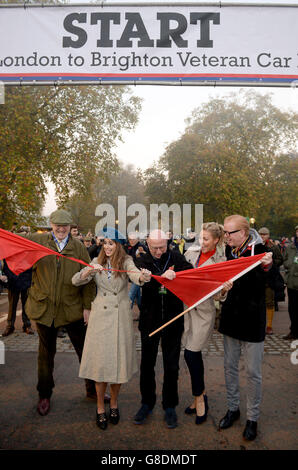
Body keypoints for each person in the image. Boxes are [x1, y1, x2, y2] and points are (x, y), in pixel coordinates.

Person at [72, 227, 151, 430]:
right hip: (100, 318)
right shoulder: (96, 261)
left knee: (118, 366)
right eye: (104, 243)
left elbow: (135, 276)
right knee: (101, 366)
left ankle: (114, 403)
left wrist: (143, 277)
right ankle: (100, 407)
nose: (107, 247)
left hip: (120, 318)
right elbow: (76, 280)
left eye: (111, 243)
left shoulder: (126, 261)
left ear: (118, 245)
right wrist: (90, 271)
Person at [25, 209, 97, 416]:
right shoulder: (38, 242)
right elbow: (15, 241)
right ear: (51, 224)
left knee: (85, 351)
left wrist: (87, 307)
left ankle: (92, 390)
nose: (61, 228)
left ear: (70, 227)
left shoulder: (79, 249)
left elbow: (88, 279)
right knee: (45, 355)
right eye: (57, 225)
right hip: (45, 308)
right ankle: (44, 394)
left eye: (65, 225)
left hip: (72, 309)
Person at [218, 215, 273, 441]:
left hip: (252, 321)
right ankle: (233, 408)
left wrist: (268, 266)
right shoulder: (229, 251)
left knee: (253, 373)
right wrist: (223, 289)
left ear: (243, 232)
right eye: (225, 232)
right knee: (229, 367)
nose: (226, 237)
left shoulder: (260, 250)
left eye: (230, 233)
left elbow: (269, 277)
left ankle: (252, 418)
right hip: (231, 318)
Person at [133, 229, 193, 429]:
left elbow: (191, 272)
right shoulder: (142, 259)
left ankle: (170, 405)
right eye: (154, 247)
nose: (159, 251)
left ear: (168, 242)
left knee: (172, 365)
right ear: (147, 244)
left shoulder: (176, 256)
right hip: (149, 319)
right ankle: (146, 403)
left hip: (173, 319)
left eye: (162, 247)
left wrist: (178, 275)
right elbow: (139, 281)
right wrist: (156, 277)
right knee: (147, 364)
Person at [183, 223, 232, 425]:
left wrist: (224, 290)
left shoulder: (221, 261)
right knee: (189, 354)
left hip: (203, 313)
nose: (201, 242)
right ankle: (198, 397)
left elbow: (220, 297)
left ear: (216, 240)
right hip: (185, 311)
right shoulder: (190, 254)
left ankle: (201, 399)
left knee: (191, 354)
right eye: (200, 238)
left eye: (205, 239)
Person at [258, 227, 283, 334]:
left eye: (265, 234)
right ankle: (259, 324)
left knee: (269, 302)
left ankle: (269, 326)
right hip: (258, 278)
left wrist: (270, 263)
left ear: (268, 235)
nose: (262, 236)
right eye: (261, 234)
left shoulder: (273, 247)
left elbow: (280, 259)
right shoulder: (255, 246)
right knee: (258, 302)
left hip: (269, 278)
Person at [0, 260, 33, 336]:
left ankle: (27, 325)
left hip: (25, 281)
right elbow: (6, 267)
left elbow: (30, 266)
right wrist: (12, 277)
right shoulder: (11, 251)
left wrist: (28, 279)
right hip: (13, 282)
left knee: (26, 305)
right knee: (12, 306)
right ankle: (10, 326)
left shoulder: (26, 252)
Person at [283, 225, 298, 340]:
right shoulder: (290, 247)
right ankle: (293, 331)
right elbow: (284, 261)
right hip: (292, 282)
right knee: (292, 308)